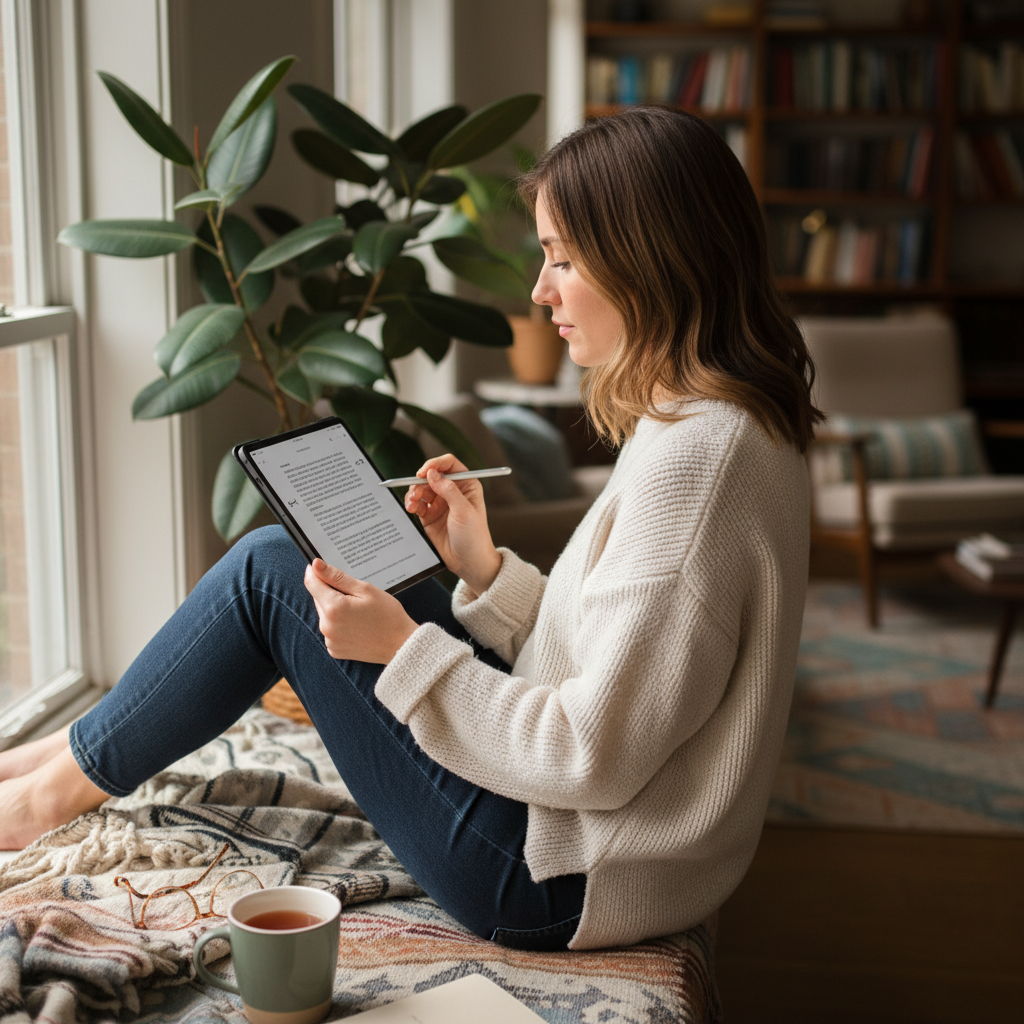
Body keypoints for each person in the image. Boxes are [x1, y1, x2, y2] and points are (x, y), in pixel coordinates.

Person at [0, 106, 820, 951]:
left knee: (275, 573)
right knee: (306, 563)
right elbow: (621, 659)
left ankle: (43, 793)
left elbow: (592, 753)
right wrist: (487, 571)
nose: (540, 291)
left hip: (556, 875)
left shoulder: (699, 461)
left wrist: (400, 648)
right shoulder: (713, 418)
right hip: (579, 835)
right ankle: (68, 757)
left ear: (653, 263)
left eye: (563, 260)